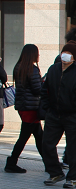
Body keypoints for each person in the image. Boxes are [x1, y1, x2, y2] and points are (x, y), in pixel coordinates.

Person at [40, 44, 76, 188]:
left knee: (73, 148)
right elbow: (44, 90)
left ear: (74, 57)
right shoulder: (53, 70)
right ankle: (55, 172)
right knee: (47, 144)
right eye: (64, 52)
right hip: (53, 114)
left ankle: (72, 178)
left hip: (73, 116)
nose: (65, 55)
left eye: (69, 53)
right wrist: (46, 108)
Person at [5, 45, 44, 173]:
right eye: (37, 53)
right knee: (25, 137)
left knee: (39, 137)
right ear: (33, 54)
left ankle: (51, 164)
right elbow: (37, 89)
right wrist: (43, 83)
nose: (38, 56)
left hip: (23, 106)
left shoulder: (18, 67)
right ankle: (11, 163)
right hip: (31, 108)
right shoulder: (32, 69)